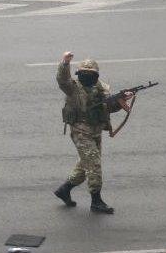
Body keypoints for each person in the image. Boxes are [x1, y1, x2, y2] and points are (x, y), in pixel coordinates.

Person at [53, 51, 130, 214]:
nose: (87, 76)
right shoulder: (72, 88)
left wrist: (121, 101)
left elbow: (108, 108)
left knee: (84, 166)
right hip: (80, 131)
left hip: (95, 131)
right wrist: (65, 63)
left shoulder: (101, 89)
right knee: (94, 164)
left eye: (90, 74)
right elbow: (62, 80)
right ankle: (96, 201)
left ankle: (64, 190)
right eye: (83, 73)